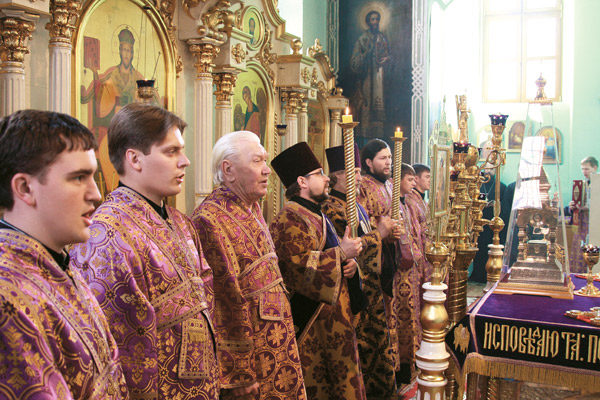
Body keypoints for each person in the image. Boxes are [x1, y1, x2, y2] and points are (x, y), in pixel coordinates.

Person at [70, 104, 219, 398]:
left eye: (182, 150)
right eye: (171, 152)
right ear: (135, 159)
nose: (185, 161)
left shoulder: (181, 222)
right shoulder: (107, 234)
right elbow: (119, 344)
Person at [0, 110, 128, 399]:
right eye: (78, 178)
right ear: (25, 188)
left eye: (92, 176)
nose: (96, 194)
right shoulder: (7, 295)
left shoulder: (56, 262)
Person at [192, 131, 306, 400]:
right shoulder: (209, 219)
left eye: (265, 161)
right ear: (228, 170)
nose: (267, 170)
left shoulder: (251, 207)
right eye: (257, 161)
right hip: (252, 357)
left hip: (274, 341)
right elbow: (222, 300)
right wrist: (238, 372)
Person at [269, 142, 366, 400]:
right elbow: (297, 267)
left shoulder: (316, 213)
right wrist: (341, 254)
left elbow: (333, 254)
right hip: (314, 324)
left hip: (335, 317)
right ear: (302, 181)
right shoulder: (289, 217)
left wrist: (350, 265)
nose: (326, 179)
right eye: (319, 174)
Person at [321, 144, 398, 398]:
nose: (359, 178)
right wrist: (380, 234)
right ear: (338, 175)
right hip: (354, 291)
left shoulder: (356, 206)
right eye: (353, 172)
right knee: (363, 352)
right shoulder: (331, 208)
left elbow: (366, 241)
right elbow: (349, 249)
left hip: (371, 289)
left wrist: (386, 237)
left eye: (358, 171)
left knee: (377, 348)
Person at [81, 27, 148, 193]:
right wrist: (96, 76)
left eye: (129, 51)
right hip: (116, 129)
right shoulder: (111, 77)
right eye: (123, 50)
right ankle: (115, 191)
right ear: (119, 51)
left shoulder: (138, 78)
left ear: (132, 53)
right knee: (107, 148)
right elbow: (101, 109)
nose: (126, 54)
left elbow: (147, 107)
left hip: (136, 130)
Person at [392, 163, 421, 385]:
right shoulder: (394, 201)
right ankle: (402, 363)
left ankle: (411, 359)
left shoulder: (405, 202)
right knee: (402, 314)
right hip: (399, 269)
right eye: (410, 179)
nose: (414, 183)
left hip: (411, 265)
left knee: (411, 312)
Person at [471, 139, 511, 283]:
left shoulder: (502, 187)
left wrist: (495, 205)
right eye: (487, 149)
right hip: (478, 220)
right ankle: (477, 274)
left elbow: (505, 209)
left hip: (493, 222)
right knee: (479, 247)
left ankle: (491, 273)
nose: (488, 172)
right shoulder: (476, 183)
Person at [350, 10, 389, 138]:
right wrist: (366, 54)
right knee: (366, 107)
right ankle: (364, 141)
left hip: (380, 79)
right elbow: (354, 62)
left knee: (379, 108)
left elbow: (388, 56)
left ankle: (379, 139)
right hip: (366, 79)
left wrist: (387, 59)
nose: (375, 22)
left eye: (377, 19)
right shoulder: (362, 39)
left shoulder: (382, 38)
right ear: (368, 22)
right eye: (373, 19)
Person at [569, 156, 598, 273]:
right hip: (581, 223)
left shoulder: (598, 183)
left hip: (594, 224)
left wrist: (587, 207)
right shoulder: (582, 184)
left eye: (587, 169)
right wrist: (572, 206)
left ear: (594, 168)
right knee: (580, 249)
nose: (584, 171)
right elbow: (578, 202)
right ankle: (578, 275)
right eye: (582, 169)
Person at [405, 163, 433, 287]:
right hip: (418, 250)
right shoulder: (410, 200)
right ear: (417, 179)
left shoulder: (422, 201)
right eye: (427, 177)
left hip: (426, 250)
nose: (430, 180)